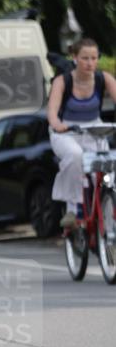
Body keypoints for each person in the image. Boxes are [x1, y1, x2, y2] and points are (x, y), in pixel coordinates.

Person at [47, 37, 116, 228]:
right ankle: (72, 209)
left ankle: (106, 207)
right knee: (75, 156)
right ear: (74, 57)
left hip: (94, 129)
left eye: (94, 58)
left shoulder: (104, 79)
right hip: (66, 131)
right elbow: (52, 113)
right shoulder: (63, 81)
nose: (90, 63)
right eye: (85, 58)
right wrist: (58, 125)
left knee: (108, 166)